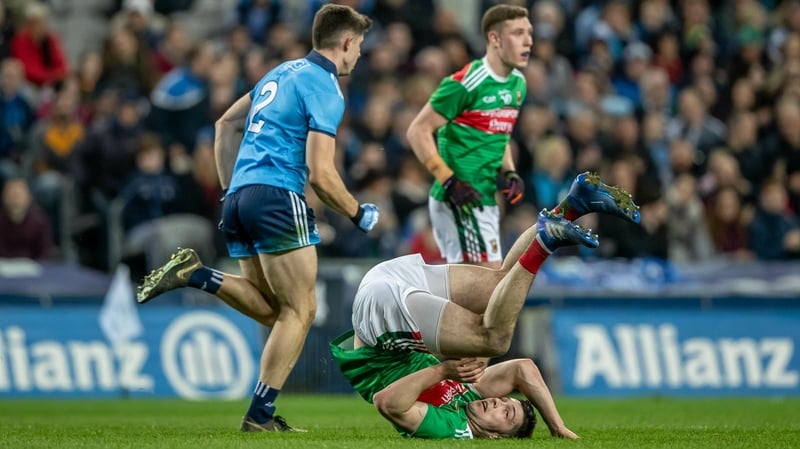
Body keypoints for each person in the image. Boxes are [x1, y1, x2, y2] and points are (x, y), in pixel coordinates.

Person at [135, 4, 378, 432]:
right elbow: (321, 175)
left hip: (239, 199)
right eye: (358, 45)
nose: (359, 54)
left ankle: (197, 274)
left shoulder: (280, 72)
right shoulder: (324, 86)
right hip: (278, 195)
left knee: (273, 311)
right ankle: (259, 416)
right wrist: (359, 213)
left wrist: (231, 188)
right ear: (345, 42)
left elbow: (224, 124)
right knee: (302, 309)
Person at [330, 172, 641, 439]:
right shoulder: (471, 395)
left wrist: (443, 370)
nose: (499, 403)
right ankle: (573, 205)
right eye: (507, 402)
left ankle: (546, 242)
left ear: (494, 436)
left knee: (495, 340)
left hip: (379, 321)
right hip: (390, 283)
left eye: (506, 415)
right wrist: (556, 426)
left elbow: (387, 402)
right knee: (499, 285)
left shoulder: (454, 427)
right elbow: (522, 368)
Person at [406, 4, 531, 268]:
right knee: (487, 281)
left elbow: (498, 133)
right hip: (460, 197)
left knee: (473, 286)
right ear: (494, 39)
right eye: (518, 33)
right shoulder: (466, 82)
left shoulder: (518, 83)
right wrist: (449, 180)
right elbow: (417, 130)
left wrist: (509, 172)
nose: (528, 41)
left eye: (529, 32)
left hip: (484, 195)